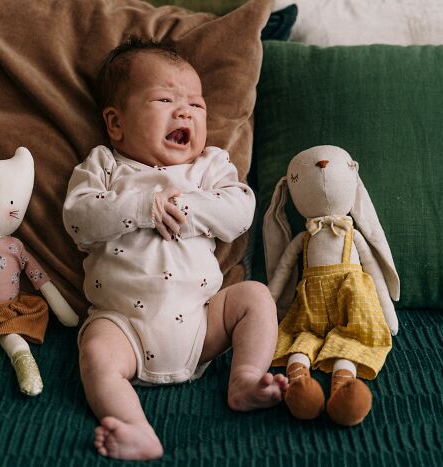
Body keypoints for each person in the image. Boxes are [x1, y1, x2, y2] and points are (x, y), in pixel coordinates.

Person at [63, 38, 287, 460]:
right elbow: (79, 220)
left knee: (255, 296)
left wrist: (187, 205)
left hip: (204, 324)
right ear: (116, 123)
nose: (184, 111)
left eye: (196, 105)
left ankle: (245, 377)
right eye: (164, 99)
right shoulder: (104, 167)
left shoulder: (209, 167)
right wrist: (142, 208)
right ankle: (135, 428)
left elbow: (240, 211)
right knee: (94, 351)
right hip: (123, 326)